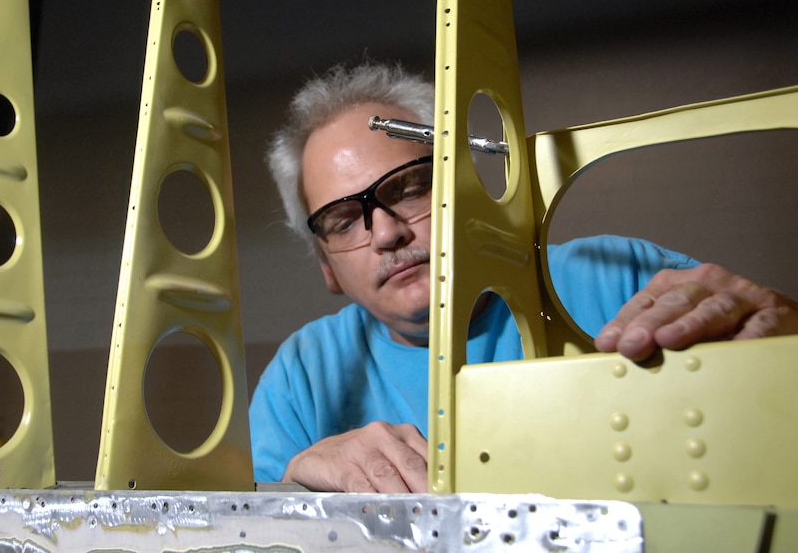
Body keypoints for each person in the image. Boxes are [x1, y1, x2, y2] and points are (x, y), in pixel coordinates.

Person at [248, 60, 798, 493]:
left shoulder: (615, 277)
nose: (388, 232)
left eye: (409, 188)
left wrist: (782, 338)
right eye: (344, 221)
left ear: (469, 190)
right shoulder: (298, 379)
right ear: (327, 268)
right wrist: (294, 484)